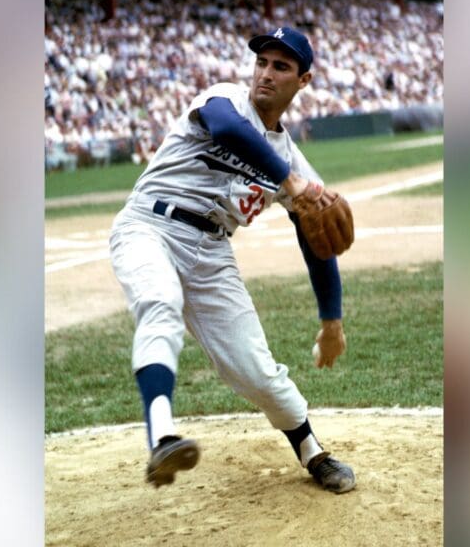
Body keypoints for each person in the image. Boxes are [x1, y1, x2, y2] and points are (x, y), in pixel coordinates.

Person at [109, 26, 355, 494]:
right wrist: (292, 183)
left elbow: (315, 239)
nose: (266, 73)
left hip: (211, 253)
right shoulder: (223, 100)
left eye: (280, 66)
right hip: (149, 226)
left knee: (254, 367)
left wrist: (331, 322)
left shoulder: (294, 164)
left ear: (302, 80)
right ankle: (162, 437)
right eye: (262, 62)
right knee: (159, 305)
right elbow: (226, 130)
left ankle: (312, 451)